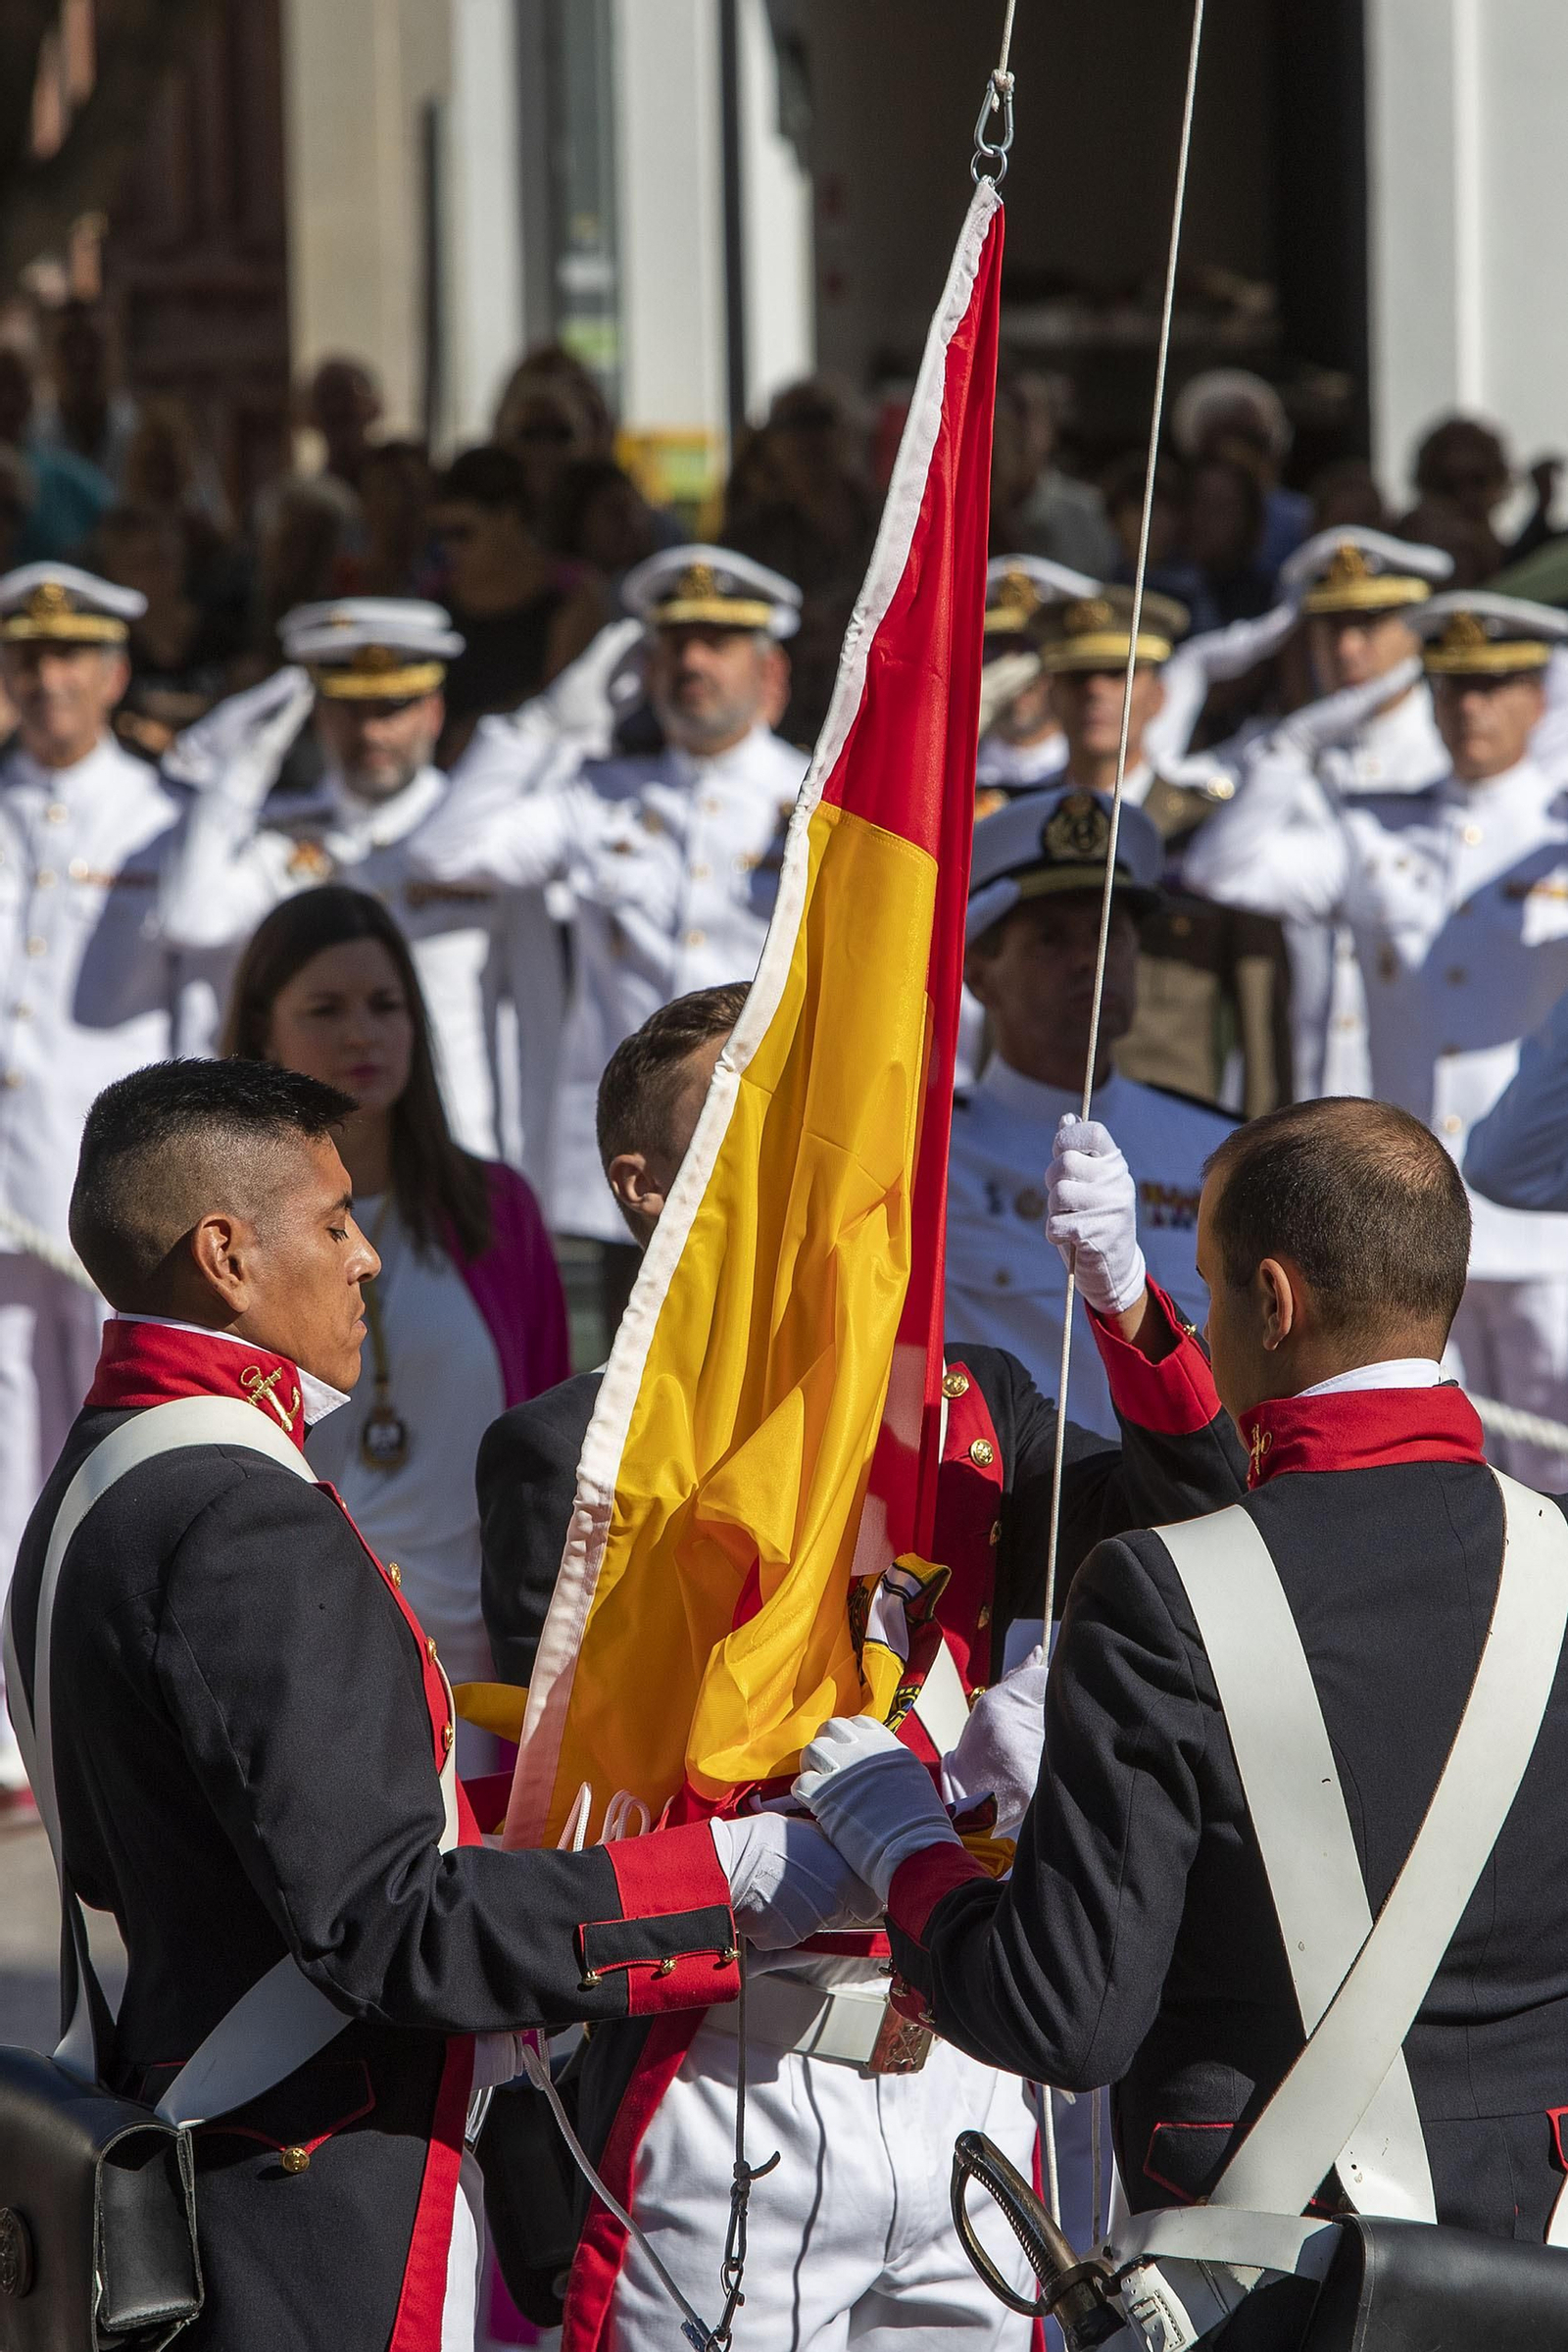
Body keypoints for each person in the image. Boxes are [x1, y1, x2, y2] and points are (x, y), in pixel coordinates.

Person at [3, 1054, 864, 2351]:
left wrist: (568, 1823)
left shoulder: (103, 1478)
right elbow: (387, 1924)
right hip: (316, 2198)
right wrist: (727, 1874)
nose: (366, 1261)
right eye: (335, 1223)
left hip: (211, 2126)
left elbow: (252, 1825)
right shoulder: (244, 1516)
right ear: (225, 1254)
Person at [476, 983, 1248, 2348]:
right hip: (729, 2071)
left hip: (965, 2057)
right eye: (750, 1125)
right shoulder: (571, 1450)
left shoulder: (969, 1401)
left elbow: (1198, 1517)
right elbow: (592, 1787)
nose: (806, 1162)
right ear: (643, 1187)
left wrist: (1130, 1303)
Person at [800, 1098, 1568, 2308]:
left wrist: (904, 1849)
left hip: (1262, 2281)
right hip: (1529, 2267)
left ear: (1273, 1301)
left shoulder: (1164, 1590)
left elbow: (1061, 2016)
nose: (1205, 1322)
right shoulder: (1561, 1564)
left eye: (1206, 1293)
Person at [1180, 588, 1568, 1488]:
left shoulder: (1556, 831)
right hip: (1410, 1226)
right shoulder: (1377, 825)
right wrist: (1303, 736)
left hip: (1540, 1220)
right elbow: (1221, 864)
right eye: (1449, 686)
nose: (1469, 707)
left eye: (1495, 685)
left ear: (1537, 698)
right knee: (1438, 1471)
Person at [408, 547, 808, 1335]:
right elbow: (440, 851)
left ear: (770, 673)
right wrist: (548, 721)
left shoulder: (813, 794)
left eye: (718, 641)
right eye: (673, 642)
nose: (692, 660)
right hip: (624, 1177)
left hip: (774, 1154)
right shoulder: (599, 795)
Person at [223, 885, 569, 1729]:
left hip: (492, 1671)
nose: (360, 1033)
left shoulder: (497, 1210)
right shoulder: (227, 1233)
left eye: (384, 1005)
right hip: (314, 1662)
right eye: (325, 1008)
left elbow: (554, 1449)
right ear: (264, 1030)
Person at [0, 561, 204, 1817]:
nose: (50, 679)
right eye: (27, 658)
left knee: (119, 1449)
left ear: (117, 674)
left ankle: (114, 1714)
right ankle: (8, 1724)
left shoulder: (165, 816)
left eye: (75, 658)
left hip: (111, 1191)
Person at [158, 597, 564, 1184]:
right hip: (304, 1172)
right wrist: (244, 767)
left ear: (433, 711)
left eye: (392, 707)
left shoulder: (484, 844)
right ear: (317, 716)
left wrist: (530, 1184)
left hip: (453, 1162)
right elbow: (193, 919)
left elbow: (538, 1022)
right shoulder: (283, 839)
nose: (370, 730)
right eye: (348, 708)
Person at [950, 788, 1236, 1438]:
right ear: (979, 972)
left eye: (1110, 933)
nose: (1089, 959)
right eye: (1050, 939)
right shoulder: (925, 1151)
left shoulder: (1220, 1151)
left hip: (1169, 1510)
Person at [1186, 525, 1452, 1098]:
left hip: (1431, 1109)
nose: (1347, 649)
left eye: (1370, 624)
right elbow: (1211, 867)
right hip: (1306, 1099)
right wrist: (1192, 676)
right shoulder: (1277, 757)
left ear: (1416, 630)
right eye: (1330, 626)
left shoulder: (1451, 760)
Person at [1032, 587, 1295, 1112]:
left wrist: (1262, 1152)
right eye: (1079, 676)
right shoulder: (1020, 824)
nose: (1098, 694)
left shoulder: (1209, 827)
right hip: (1034, 1119)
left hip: (1171, 1123)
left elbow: (1259, 1010)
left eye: (1120, 674)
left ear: (1159, 695)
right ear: (1052, 692)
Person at [431, 444, 606, 739]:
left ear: (509, 519)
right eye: (440, 535)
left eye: (462, 533)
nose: (449, 549)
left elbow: (564, 704)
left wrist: (480, 734)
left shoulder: (572, 597)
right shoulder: (434, 597)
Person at [974, 555, 1095, 808]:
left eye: (1031, 651)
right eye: (995, 651)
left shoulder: (1089, 768)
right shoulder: (946, 771)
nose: (1014, 674)